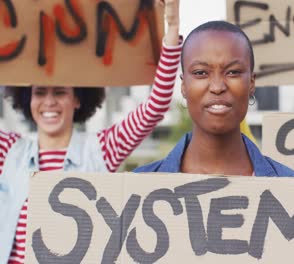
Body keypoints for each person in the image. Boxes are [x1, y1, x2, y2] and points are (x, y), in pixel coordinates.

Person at [0, 0, 182, 263]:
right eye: (39, 92)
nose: (49, 102)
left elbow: (156, 105)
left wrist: (172, 26)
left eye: (60, 92)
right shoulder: (8, 152)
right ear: (27, 99)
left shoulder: (103, 149)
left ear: (77, 99)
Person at [134, 21, 294, 178]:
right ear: (183, 85)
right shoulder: (137, 190)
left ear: (251, 83)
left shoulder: (293, 188)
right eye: (201, 73)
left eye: (233, 72)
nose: (217, 86)